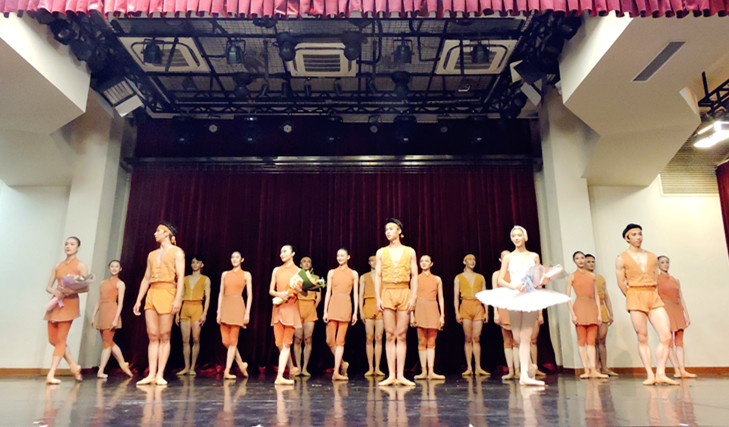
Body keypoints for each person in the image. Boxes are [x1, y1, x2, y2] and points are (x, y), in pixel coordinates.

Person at [479, 226, 569, 386]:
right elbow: (500, 280)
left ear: (525, 237)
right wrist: (514, 286)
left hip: (529, 296)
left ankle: (524, 374)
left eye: (519, 235)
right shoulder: (508, 257)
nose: (516, 238)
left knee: (526, 336)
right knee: (517, 337)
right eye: (513, 235)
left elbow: (539, 277)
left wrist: (544, 279)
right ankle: (529, 366)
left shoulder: (534, 256)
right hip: (514, 295)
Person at [615, 224, 678, 385]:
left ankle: (661, 372)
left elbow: (656, 277)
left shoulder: (652, 256)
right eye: (634, 234)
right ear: (627, 238)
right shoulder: (622, 258)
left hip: (652, 295)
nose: (638, 237)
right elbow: (620, 281)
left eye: (640, 234)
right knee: (642, 336)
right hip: (635, 294)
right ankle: (650, 374)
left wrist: (654, 292)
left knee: (666, 335)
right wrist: (630, 296)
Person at [133, 222, 185, 386]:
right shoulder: (152, 254)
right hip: (152, 292)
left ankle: (160, 374)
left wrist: (177, 299)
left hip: (168, 291)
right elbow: (146, 278)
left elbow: (181, 278)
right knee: (153, 335)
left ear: (167, 234)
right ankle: (151, 374)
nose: (155, 234)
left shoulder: (177, 252)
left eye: (158, 231)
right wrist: (139, 299)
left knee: (164, 335)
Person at [375, 218, 418, 386]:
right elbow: (378, 276)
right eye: (386, 229)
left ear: (399, 231)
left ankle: (400, 375)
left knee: (401, 334)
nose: (388, 232)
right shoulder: (381, 252)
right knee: (389, 334)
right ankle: (391, 375)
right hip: (387, 291)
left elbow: (414, 276)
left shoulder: (410, 251)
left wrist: (413, 297)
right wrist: (378, 297)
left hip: (404, 291)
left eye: (391, 229)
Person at [44, 236, 88, 384]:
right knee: (53, 339)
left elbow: (86, 287)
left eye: (72, 244)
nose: (68, 246)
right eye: (67, 244)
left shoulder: (80, 265)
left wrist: (71, 291)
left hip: (69, 303)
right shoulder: (58, 266)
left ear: (78, 247)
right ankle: (74, 366)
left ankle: (51, 373)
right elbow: (48, 286)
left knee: (61, 339)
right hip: (56, 302)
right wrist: (55, 291)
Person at [566, 251, 608, 379]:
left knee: (591, 340)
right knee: (581, 340)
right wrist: (572, 314)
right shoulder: (572, 276)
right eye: (577, 258)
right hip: (579, 307)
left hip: (592, 308)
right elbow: (567, 297)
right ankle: (586, 369)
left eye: (582, 258)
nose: (580, 260)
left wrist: (599, 313)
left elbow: (596, 295)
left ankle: (594, 369)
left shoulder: (592, 276)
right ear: (574, 261)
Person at [91, 260, 133, 379]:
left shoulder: (120, 284)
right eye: (112, 266)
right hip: (103, 312)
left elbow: (120, 303)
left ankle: (101, 370)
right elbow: (99, 300)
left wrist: (115, 318)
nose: (114, 268)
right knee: (108, 341)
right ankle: (123, 363)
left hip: (111, 311)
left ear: (120, 269)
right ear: (109, 268)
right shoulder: (102, 283)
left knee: (107, 343)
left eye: (116, 266)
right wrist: (94, 315)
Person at [269, 244, 304, 385]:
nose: (282, 254)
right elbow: (271, 290)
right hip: (278, 308)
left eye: (285, 251)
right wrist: (280, 294)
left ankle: (280, 376)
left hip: (291, 309)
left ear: (292, 253)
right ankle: (288, 369)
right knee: (279, 343)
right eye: (281, 252)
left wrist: (298, 289)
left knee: (286, 344)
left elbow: (304, 292)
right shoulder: (276, 270)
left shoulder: (299, 271)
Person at [657, 256, 696, 379]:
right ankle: (676, 369)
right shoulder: (657, 279)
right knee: (668, 341)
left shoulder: (675, 280)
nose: (665, 264)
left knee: (679, 341)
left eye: (667, 262)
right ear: (658, 265)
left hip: (677, 309)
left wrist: (686, 314)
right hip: (666, 310)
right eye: (662, 262)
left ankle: (682, 369)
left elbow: (681, 297)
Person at [323, 248, 359, 381]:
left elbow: (355, 294)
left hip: (345, 304)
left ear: (348, 257)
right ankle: (343, 363)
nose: (340, 258)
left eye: (342, 255)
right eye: (338, 255)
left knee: (340, 341)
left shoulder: (353, 273)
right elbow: (328, 292)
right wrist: (325, 310)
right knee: (329, 340)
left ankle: (336, 371)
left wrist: (355, 312)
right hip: (333, 304)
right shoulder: (332, 272)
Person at [217, 251, 252, 380]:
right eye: (232, 257)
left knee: (233, 341)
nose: (234, 259)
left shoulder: (246, 274)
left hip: (238, 305)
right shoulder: (225, 274)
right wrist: (218, 311)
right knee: (225, 341)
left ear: (242, 259)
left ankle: (227, 370)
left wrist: (247, 312)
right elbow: (221, 293)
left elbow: (250, 295)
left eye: (237, 257)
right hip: (226, 305)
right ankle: (241, 364)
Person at [454, 254, 490, 377]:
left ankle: (478, 367)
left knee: (477, 338)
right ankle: (469, 367)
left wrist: (486, 311)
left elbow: (485, 295)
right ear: (464, 262)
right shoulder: (458, 278)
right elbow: (455, 297)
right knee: (468, 338)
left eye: (474, 259)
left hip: (478, 306)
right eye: (469, 259)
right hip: (465, 306)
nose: (472, 261)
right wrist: (457, 312)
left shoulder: (480, 277)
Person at [175, 255, 211, 376]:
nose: (195, 265)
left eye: (197, 262)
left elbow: (208, 297)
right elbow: (180, 296)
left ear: (202, 265)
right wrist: (177, 313)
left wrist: (204, 313)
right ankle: (186, 366)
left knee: (196, 339)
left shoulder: (205, 279)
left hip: (197, 307)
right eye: (193, 262)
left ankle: (192, 367)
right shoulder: (185, 278)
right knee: (185, 340)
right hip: (185, 307)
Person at [412, 255, 445, 380]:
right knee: (421, 341)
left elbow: (440, 297)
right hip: (420, 307)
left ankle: (431, 371)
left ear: (431, 263)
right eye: (421, 261)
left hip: (432, 308)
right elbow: (412, 297)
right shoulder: (415, 279)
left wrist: (442, 315)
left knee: (431, 341)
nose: (424, 263)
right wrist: (411, 315)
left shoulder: (437, 279)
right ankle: (423, 371)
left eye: (426, 261)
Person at [584, 254, 618, 376]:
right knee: (592, 340)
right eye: (589, 261)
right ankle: (595, 368)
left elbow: (606, 295)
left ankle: (604, 367)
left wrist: (611, 313)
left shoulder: (600, 278)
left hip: (602, 309)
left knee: (602, 340)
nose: (591, 264)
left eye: (593, 261)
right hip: (590, 309)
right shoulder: (583, 278)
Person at [492, 250, 519, 379]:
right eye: (504, 257)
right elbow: (494, 294)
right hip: (503, 307)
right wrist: (495, 312)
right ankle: (511, 370)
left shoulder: (516, 273)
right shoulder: (497, 274)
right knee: (507, 340)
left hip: (515, 306)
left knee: (517, 340)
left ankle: (518, 370)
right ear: (500, 260)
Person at [293, 256, 321, 377]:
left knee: (308, 339)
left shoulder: (316, 278)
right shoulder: (296, 278)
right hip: (298, 308)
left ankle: (305, 368)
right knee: (297, 339)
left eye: (309, 261)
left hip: (310, 308)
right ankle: (298, 367)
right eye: (304, 261)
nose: (306, 263)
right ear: (300, 264)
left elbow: (319, 297)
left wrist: (313, 308)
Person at [359, 255, 385, 377]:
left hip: (381, 306)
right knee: (369, 337)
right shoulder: (364, 277)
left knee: (379, 337)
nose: (374, 262)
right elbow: (360, 295)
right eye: (371, 260)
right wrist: (361, 311)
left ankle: (377, 367)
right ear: (369, 263)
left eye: (376, 260)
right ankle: (370, 367)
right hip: (368, 305)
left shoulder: (384, 276)